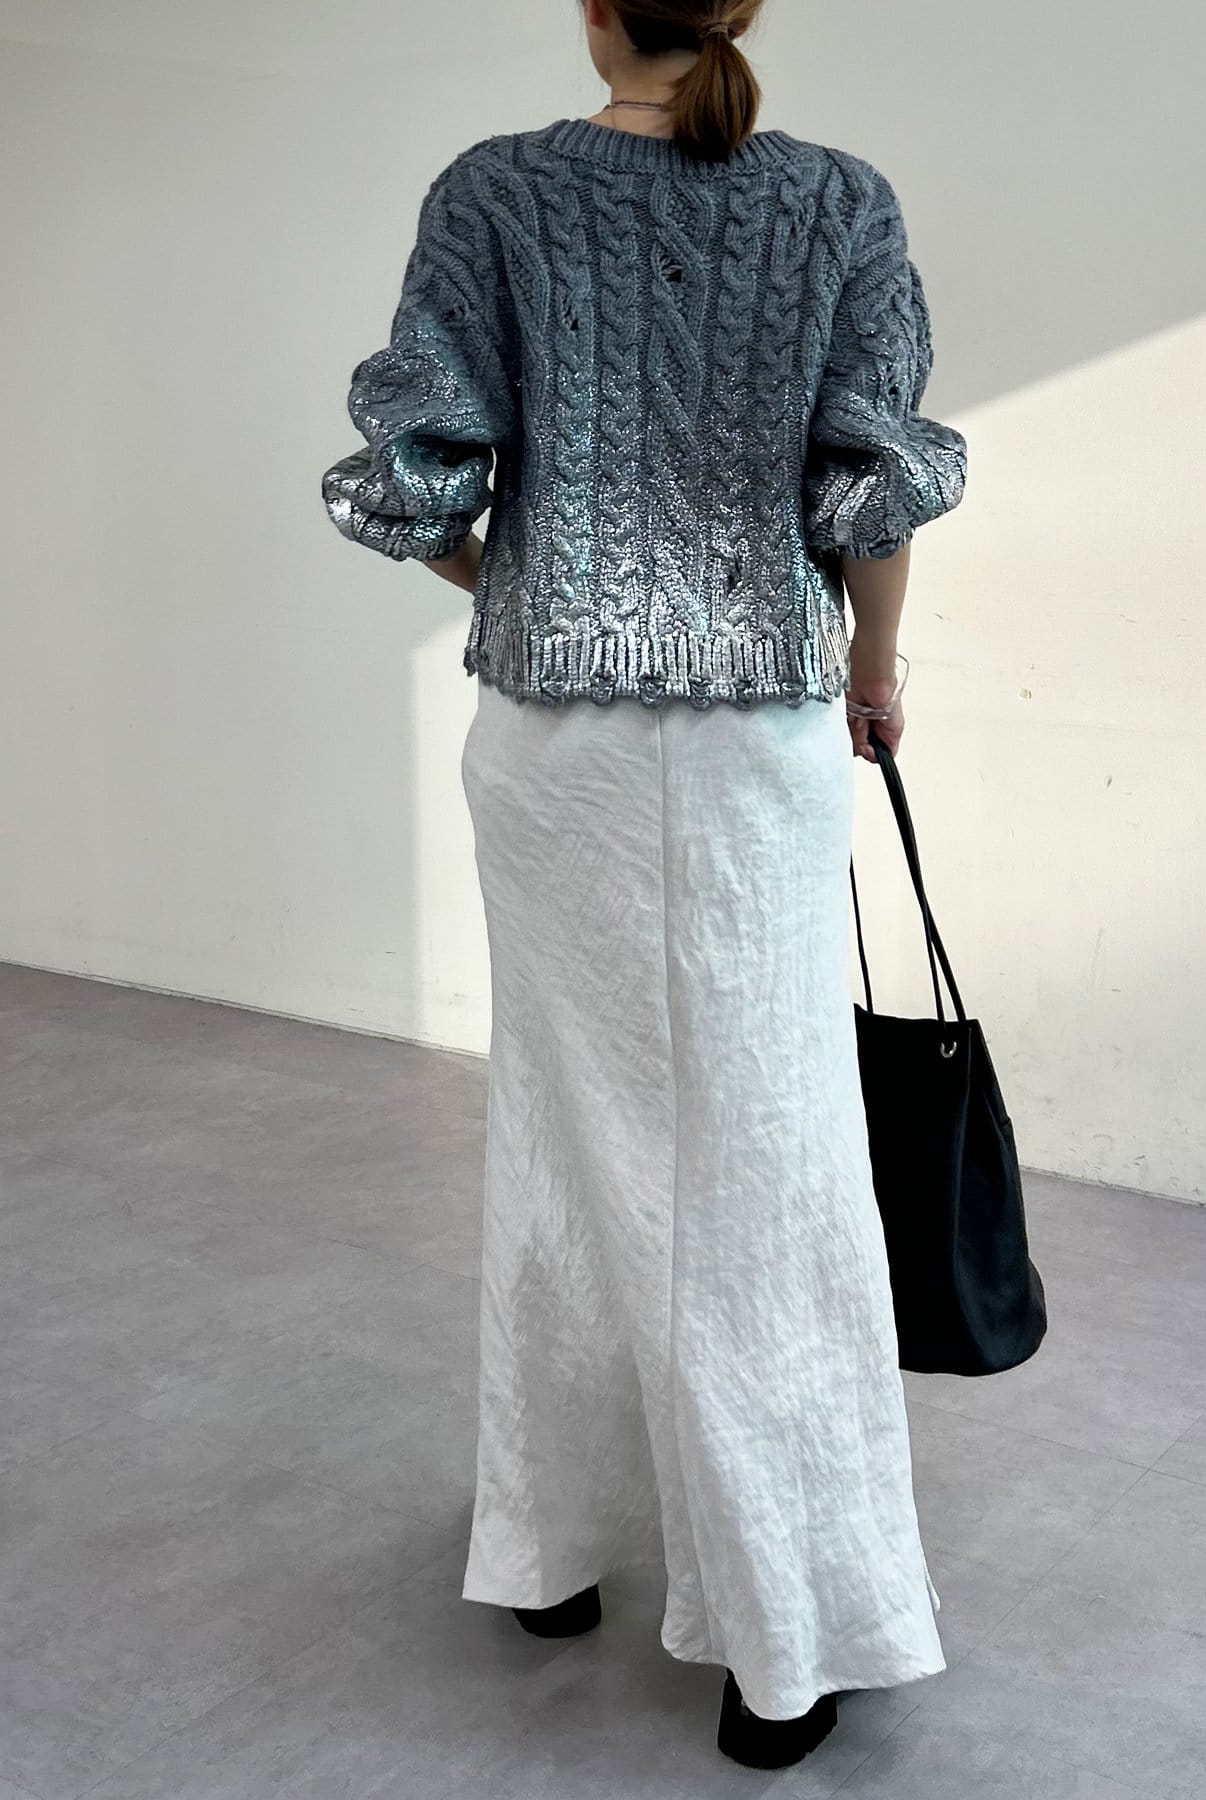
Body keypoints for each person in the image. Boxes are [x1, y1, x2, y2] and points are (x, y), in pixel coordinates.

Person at [321, 0, 967, 1771]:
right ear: (742, 12)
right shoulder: (838, 200)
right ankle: (790, 1634)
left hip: (557, 748)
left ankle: (548, 1547)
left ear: (594, 10)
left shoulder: (494, 192)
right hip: (758, 733)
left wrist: (528, 581)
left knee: (567, 1131)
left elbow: (413, 479)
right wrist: (874, 671)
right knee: (769, 1168)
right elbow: (876, 489)